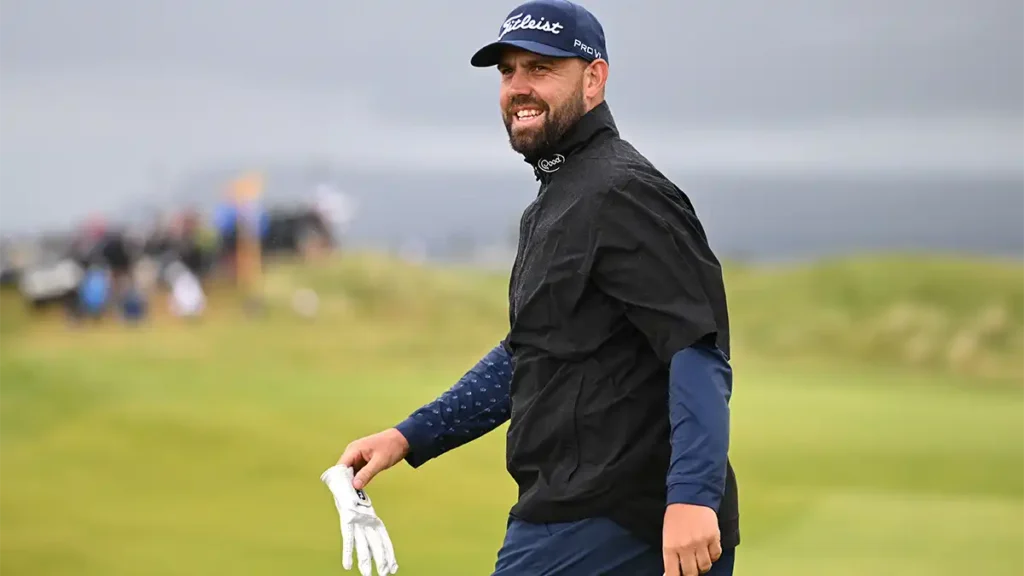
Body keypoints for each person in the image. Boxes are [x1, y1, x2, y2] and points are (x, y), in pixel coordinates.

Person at [335, 1, 739, 574]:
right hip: (571, 512)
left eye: (541, 68)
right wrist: (408, 436)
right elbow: (531, 351)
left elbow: (697, 349)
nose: (518, 87)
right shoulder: (559, 199)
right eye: (508, 71)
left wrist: (693, 498)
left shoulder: (624, 193)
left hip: (624, 521)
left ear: (593, 78)